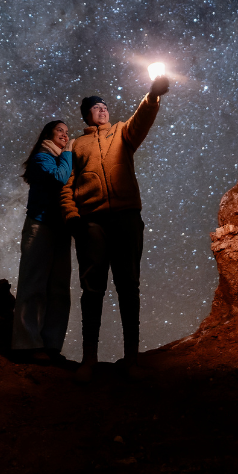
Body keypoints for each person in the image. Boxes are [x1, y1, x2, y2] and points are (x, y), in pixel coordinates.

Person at [60, 74, 171, 383]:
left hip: (126, 218)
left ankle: (131, 359)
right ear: (86, 115)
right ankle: (89, 359)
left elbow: (142, 119)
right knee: (92, 290)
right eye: (96, 107)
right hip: (92, 223)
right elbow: (66, 185)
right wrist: (72, 218)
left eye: (105, 106)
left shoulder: (122, 132)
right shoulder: (76, 145)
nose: (103, 109)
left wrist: (152, 96)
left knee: (128, 287)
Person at [9, 119, 74, 365]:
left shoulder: (60, 158)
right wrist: (68, 154)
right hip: (40, 225)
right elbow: (59, 179)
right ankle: (26, 345)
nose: (65, 136)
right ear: (48, 134)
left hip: (60, 228)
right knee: (33, 283)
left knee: (58, 288)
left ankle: (51, 347)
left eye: (67, 133)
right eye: (60, 131)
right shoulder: (42, 158)